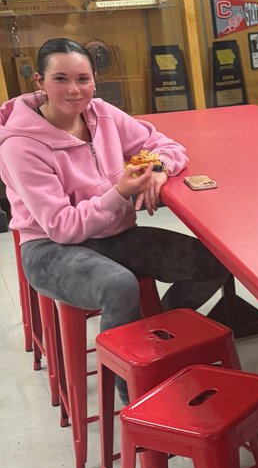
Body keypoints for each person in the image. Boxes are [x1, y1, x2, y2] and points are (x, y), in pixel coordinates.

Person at [0, 38, 229, 395]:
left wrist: (156, 167)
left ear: (94, 80)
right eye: (60, 79)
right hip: (49, 249)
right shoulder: (20, 145)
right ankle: (135, 393)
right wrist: (120, 192)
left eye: (83, 79)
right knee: (118, 285)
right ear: (39, 84)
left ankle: (161, 338)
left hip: (113, 233)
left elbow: (167, 146)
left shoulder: (103, 113)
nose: (75, 90)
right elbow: (62, 227)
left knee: (214, 261)